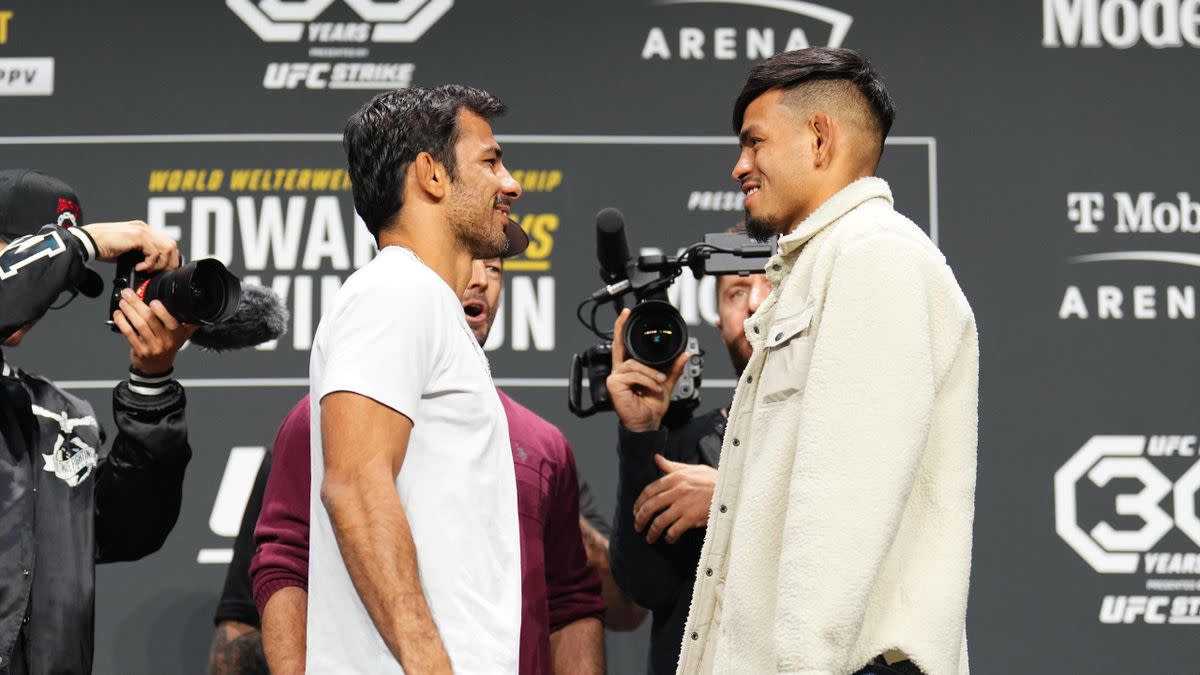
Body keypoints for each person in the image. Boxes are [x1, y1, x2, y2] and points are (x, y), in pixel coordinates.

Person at [676, 47, 979, 675]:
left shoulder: (874, 257)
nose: (740, 166)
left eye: (754, 142)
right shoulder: (823, 267)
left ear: (820, 137)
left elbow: (842, 507)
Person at [209, 255, 609, 675]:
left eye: (494, 268)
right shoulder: (320, 422)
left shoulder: (542, 446)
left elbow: (572, 605)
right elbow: (285, 564)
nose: (479, 281)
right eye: (462, 260)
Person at [307, 85, 530, 674]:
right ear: (431, 174)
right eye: (490, 161)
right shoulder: (397, 292)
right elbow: (354, 483)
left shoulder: (422, 302)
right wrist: (431, 664)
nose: (511, 184)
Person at [0, 169, 195, 674]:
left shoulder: (63, 417)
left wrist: (151, 382)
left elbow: (132, 530)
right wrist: (82, 242)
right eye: (48, 264)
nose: (45, 300)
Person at [605, 254, 772, 675]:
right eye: (735, 292)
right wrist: (641, 433)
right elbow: (646, 585)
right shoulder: (683, 440)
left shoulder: (841, 436)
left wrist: (726, 498)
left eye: (773, 283)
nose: (753, 303)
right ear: (718, 323)